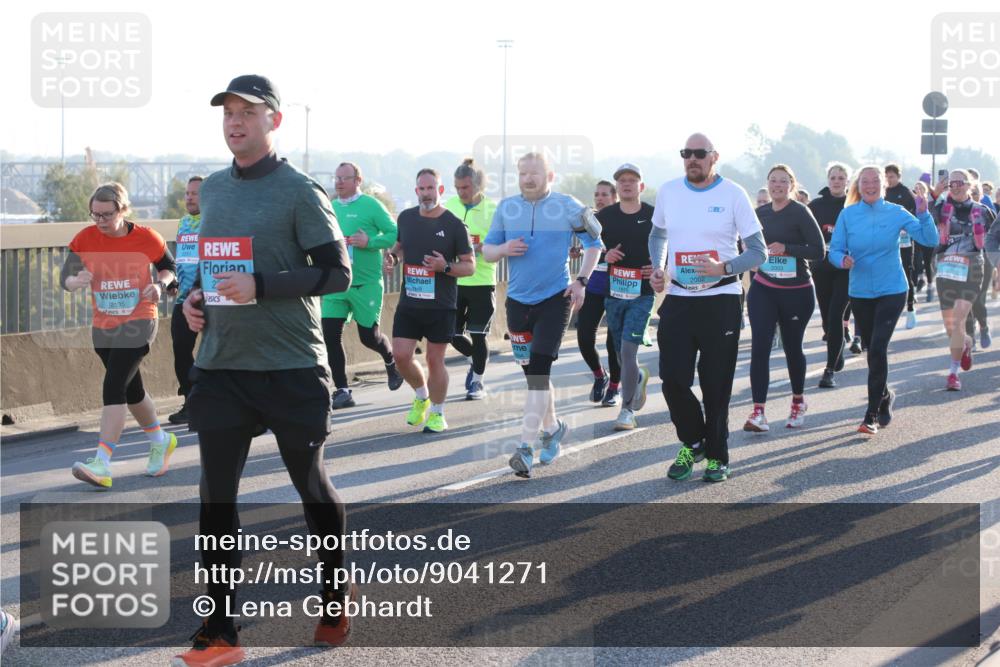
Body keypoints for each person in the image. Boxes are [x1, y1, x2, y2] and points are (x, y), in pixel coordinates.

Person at [176, 74, 355, 666]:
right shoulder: (214, 190)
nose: (235, 122)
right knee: (215, 497)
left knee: (311, 486)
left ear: (273, 121)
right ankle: (221, 631)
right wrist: (195, 301)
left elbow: (337, 273)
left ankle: (334, 595)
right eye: (228, 112)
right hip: (222, 366)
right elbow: (212, 270)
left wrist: (263, 286)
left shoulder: (300, 191)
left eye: (248, 113)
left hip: (291, 365)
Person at [649, 133, 766, 483]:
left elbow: (758, 252)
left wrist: (724, 268)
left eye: (699, 153)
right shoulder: (669, 191)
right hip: (679, 297)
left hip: (721, 298)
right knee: (672, 379)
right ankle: (694, 441)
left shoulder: (733, 194)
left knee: (716, 386)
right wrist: (658, 266)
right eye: (686, 153)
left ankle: (717, 456)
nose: (692, 159)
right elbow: (658, 235)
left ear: (714, 157)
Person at [483, 152, 602, 478]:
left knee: (539, 370)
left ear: (550, 176)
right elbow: (488, 251)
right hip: (517, 303)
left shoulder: (567, 205)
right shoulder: (507, 207)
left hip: (556, 298)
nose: (528, 178)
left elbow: (595, 243)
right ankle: (552, 429)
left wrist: (582, 281)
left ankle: (524, 448)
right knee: (534, 375)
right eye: (523, 173)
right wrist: (504, 249)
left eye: (535, 173)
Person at [63, 183, 178, 489]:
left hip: (140, 320)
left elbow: (169, 267)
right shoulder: (85, 238)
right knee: (131, 390)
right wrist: (76, 280)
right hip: (103, 325)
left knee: (114, 385)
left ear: (123, 210)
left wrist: (160, 285)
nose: (100, 220)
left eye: (106, 214)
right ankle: (161, 440)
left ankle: (102, 463)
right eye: (95, 214)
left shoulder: (146, 237)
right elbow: (66, 278)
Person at [828, 165, 937, 434]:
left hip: (892, 289)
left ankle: (871, 415)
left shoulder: (896, 212)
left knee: (877, 348)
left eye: (875, 181)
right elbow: (835, 250)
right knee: (871, 350)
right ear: (858, 185)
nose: (870, 185)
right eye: (865, 181)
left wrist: (924, 213)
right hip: (861, 292)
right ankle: (885, 395)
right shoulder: (848, 214)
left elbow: (929, 239)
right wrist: (842, 260)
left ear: (883, 185)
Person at [383, 169, 475, 432]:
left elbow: (469, 266)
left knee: (435, 360)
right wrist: (393, 258)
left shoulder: (455, 225)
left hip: (440, 306)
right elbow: (400, 246)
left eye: (430, 188)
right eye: (421, 189)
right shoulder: (406, 218)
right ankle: (422, 396)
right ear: (416, 191)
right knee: (400, 356)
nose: (426, 194)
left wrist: (444, 266)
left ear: (440, 190)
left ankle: (437, 413)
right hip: (410, 302)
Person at [743, 165, 824, 432]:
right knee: (760, 347)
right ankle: (758, 412)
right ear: (767, 184)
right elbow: (745, 245)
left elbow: (818, 251)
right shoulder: (760, 214)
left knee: (792, 347)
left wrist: (787, 248)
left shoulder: (800, 212)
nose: (777, 185)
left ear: (791, 185)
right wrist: (749, 255)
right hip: (764, 287)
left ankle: (798, 402)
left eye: (783, 181)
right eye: (773, 181)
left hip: (797, 291)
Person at [321, 161, 403, 409]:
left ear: (358, 180)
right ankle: (342, 390)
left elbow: (395, 234)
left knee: (369, 337)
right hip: (337, 284)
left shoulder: (371, 205)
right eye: (336, 178)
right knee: (330, 336)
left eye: (344, 178)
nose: (338, 182)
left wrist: (370, 241)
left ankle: (390, 361)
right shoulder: (331, 207)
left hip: (366, 284)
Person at [599, 163, 656, 430]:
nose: (626, 184)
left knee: (628, 350)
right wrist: (605, 255)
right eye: (622, 180)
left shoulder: (653, 215)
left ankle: (627, 410)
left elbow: (669, 243)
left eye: (632, 180)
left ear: (641, 186)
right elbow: (589, 247)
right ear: (617, 186)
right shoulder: (605, 216)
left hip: (642, 294)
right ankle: (638, 378)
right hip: (614, 293)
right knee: (620, 353)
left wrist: (658, 266)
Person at [931, 170, 999, 390]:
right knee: (952, 328)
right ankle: (967, 342)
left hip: (973, 270)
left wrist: (997, 267)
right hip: (946, 270)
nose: (955, 186)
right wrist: (933, 195)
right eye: (951, 183)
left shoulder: (983, 211)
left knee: (959, 320)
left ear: (970, 185)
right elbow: (923, 218)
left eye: (960, 182)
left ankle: (953, 373)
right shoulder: (941, 209)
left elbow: (995, 240)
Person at [444, 159, 499, 400]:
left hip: (482, 281)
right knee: (451, 334)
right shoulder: (449, 206)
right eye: (457, 188)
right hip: (454, 281)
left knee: (478, 335)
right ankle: (475, 359)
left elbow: (501, 244)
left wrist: (482, 247)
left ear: (478, 185)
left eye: (465, 187)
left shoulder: (493, 210)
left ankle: (477, 382)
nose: (461, 192)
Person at [576, 179, 622, 407]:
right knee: (584, 337)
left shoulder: (623, 219)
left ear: (614, 197)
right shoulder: (589, 220)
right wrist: (577, 251)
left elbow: (623, 251)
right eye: (597, 194)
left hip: (617, 286)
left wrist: (603, 255)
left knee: (614, 342)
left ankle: (614, 387)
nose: (599, 198)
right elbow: (588, 248)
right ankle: (599, 375)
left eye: (604, 194)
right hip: (593, 286)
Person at [809, 163, 852, 388]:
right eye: (833, 177)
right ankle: (837, 348)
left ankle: (829, 370)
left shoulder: (854, 205)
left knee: (836, 314)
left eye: (841, 178)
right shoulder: (815, 206)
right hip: (821, 268)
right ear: (828, 180)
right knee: (827, 319)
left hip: (845, 269)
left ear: (847, 181)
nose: (836, 181)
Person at [168, 176, 203, 424]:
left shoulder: (215, 221)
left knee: (215, 352)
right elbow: (183, 258)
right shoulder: (183, 222)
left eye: (195, 193)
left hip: (210, 296)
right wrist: (175, 282)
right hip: (183, 297)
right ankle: (191, 402)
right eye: (187, 193)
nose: (189, 198)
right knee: (181, 351)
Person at [884, 164, 919, 329]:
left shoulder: (905, 192)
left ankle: (910, 308)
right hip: (885, 240)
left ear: (898, 177)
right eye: (886, 177)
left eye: (891, 176)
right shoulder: (882, 192)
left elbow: (915, 214)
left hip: (904, 240)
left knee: (906, 271)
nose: (889, 180)